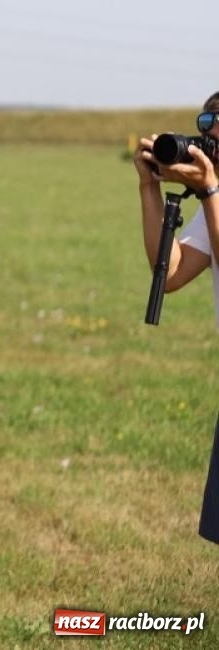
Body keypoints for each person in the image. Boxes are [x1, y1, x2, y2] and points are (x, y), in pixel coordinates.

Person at [134, 90, 219, 543]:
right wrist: (149, 187)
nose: (212, 131)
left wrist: (209, 190)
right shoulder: (215, 199)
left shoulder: (214, 195)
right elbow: (170, 272)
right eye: (207, 120)